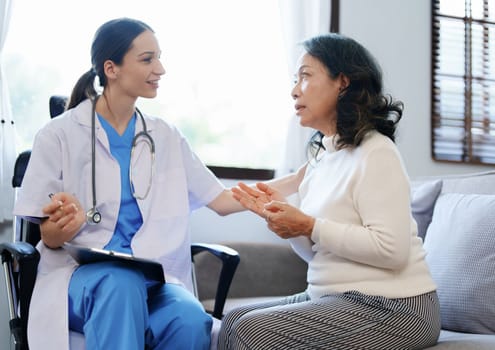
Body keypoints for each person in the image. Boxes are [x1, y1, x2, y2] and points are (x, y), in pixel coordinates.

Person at [12, 17, 295, 350]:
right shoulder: (58, 134)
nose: (160, 68)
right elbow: (48, 235)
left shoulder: (166, 136)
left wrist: (302, 178)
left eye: (159, 58)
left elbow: (220, 200)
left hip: (153, 281)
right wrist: (65, 226)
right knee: (120, 284)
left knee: (190, 319)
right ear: (111, 68)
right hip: (80, 279)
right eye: (147, 59)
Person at [217, 33, 441, 350]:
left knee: (251, 331)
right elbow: (319, 253)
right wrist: (286, 221)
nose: (294, 90)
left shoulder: (377, 152)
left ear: (343, 82)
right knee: (233, 321)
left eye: (305, 76)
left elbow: (392, 251)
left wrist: (309, 225)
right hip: (333, 296)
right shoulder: (323, 158)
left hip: (396, 307)